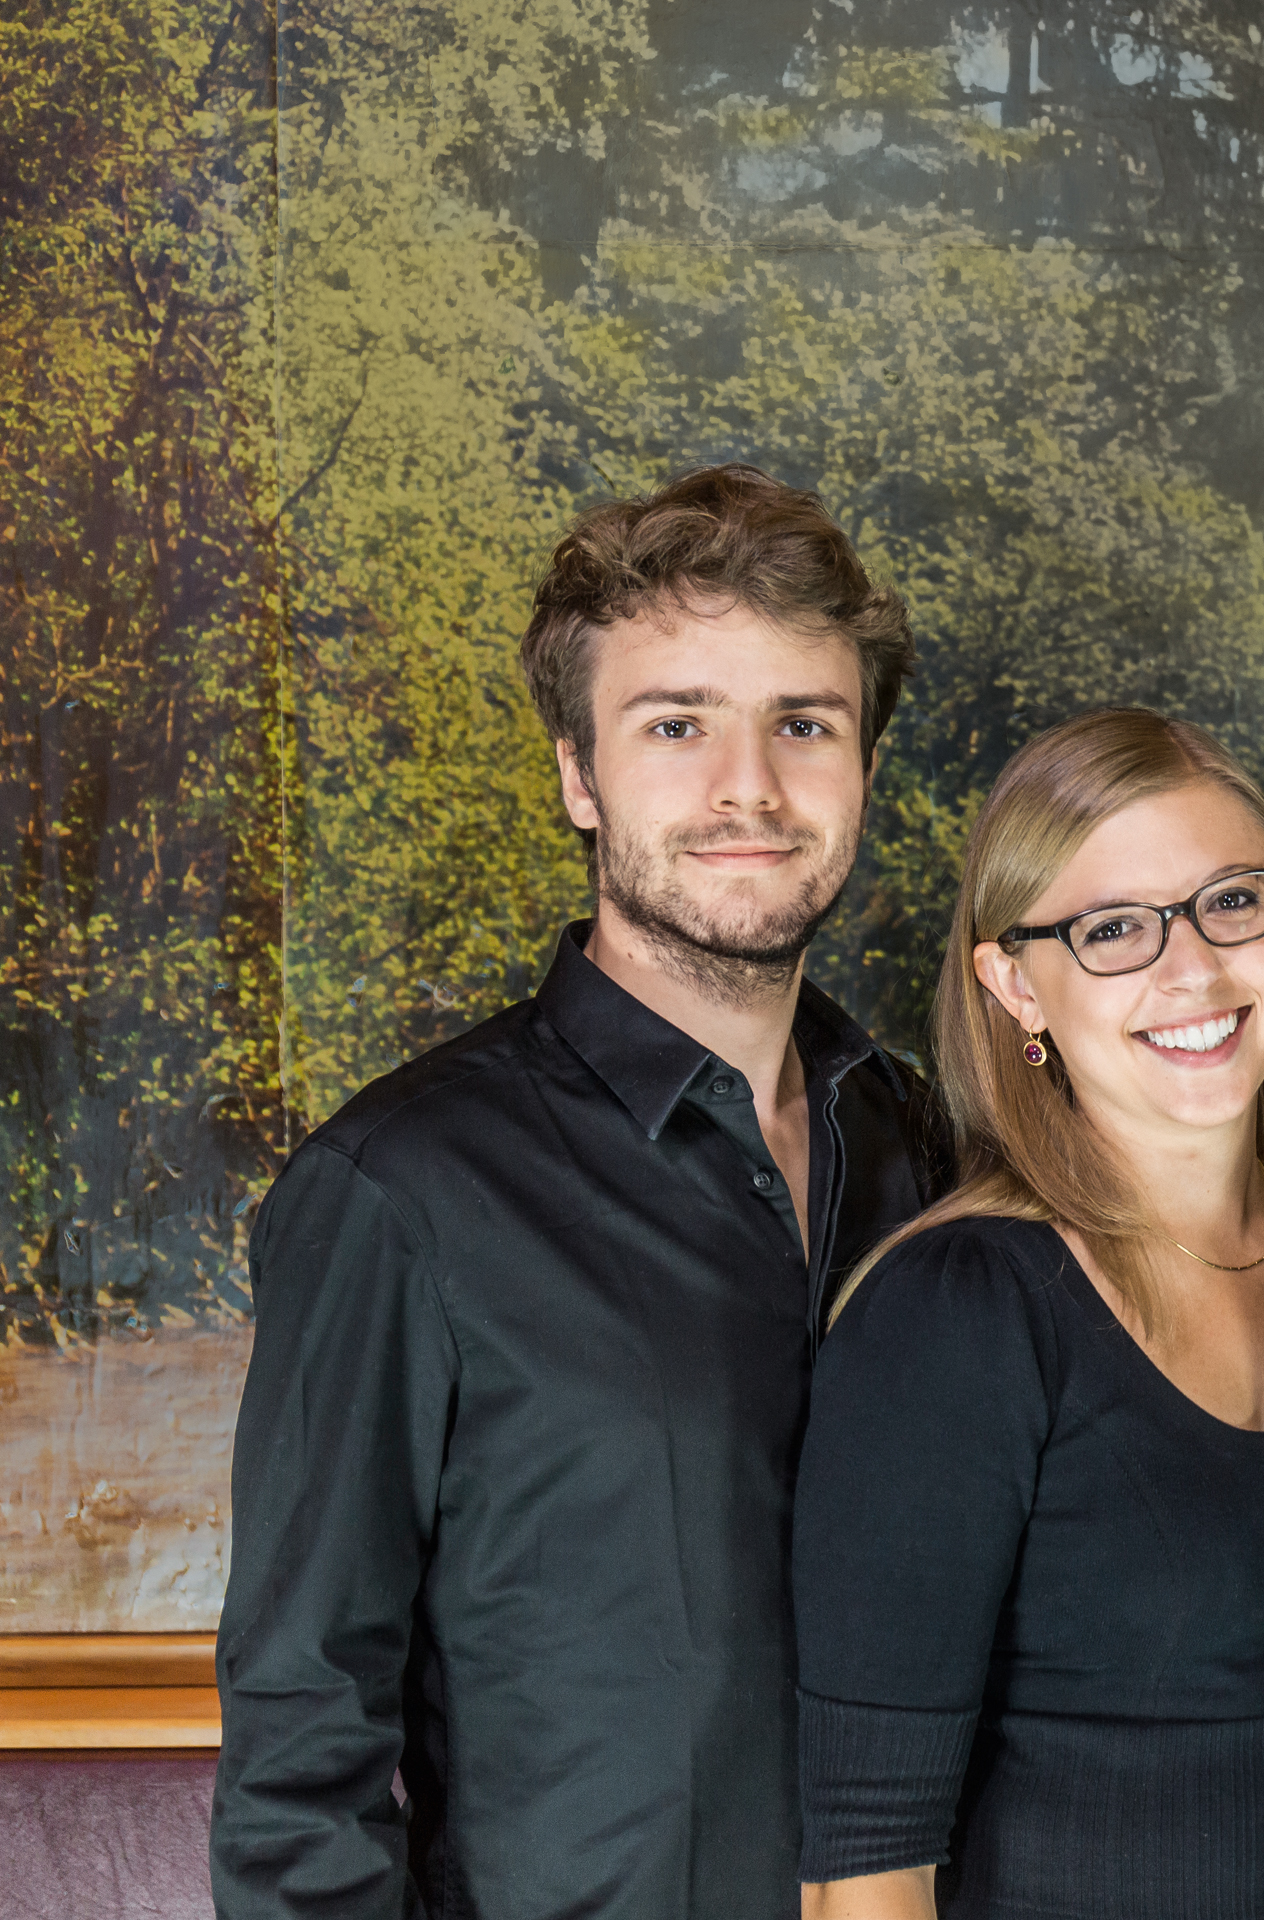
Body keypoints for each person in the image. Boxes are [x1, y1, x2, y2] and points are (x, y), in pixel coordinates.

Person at [211, 465, 944, 1917]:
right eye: (677, 725)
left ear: (862, 766)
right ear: (578, 776)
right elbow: (302, 1758)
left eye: (805, 724)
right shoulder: (399, 1192)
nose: (750, 786)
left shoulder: (929, 1152)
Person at [791, 707, 1264, 1920]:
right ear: (1013, 983)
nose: (1191, 970)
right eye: (1112, 931)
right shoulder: (962, 1314)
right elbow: (862, 1879)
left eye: (1230, 902)